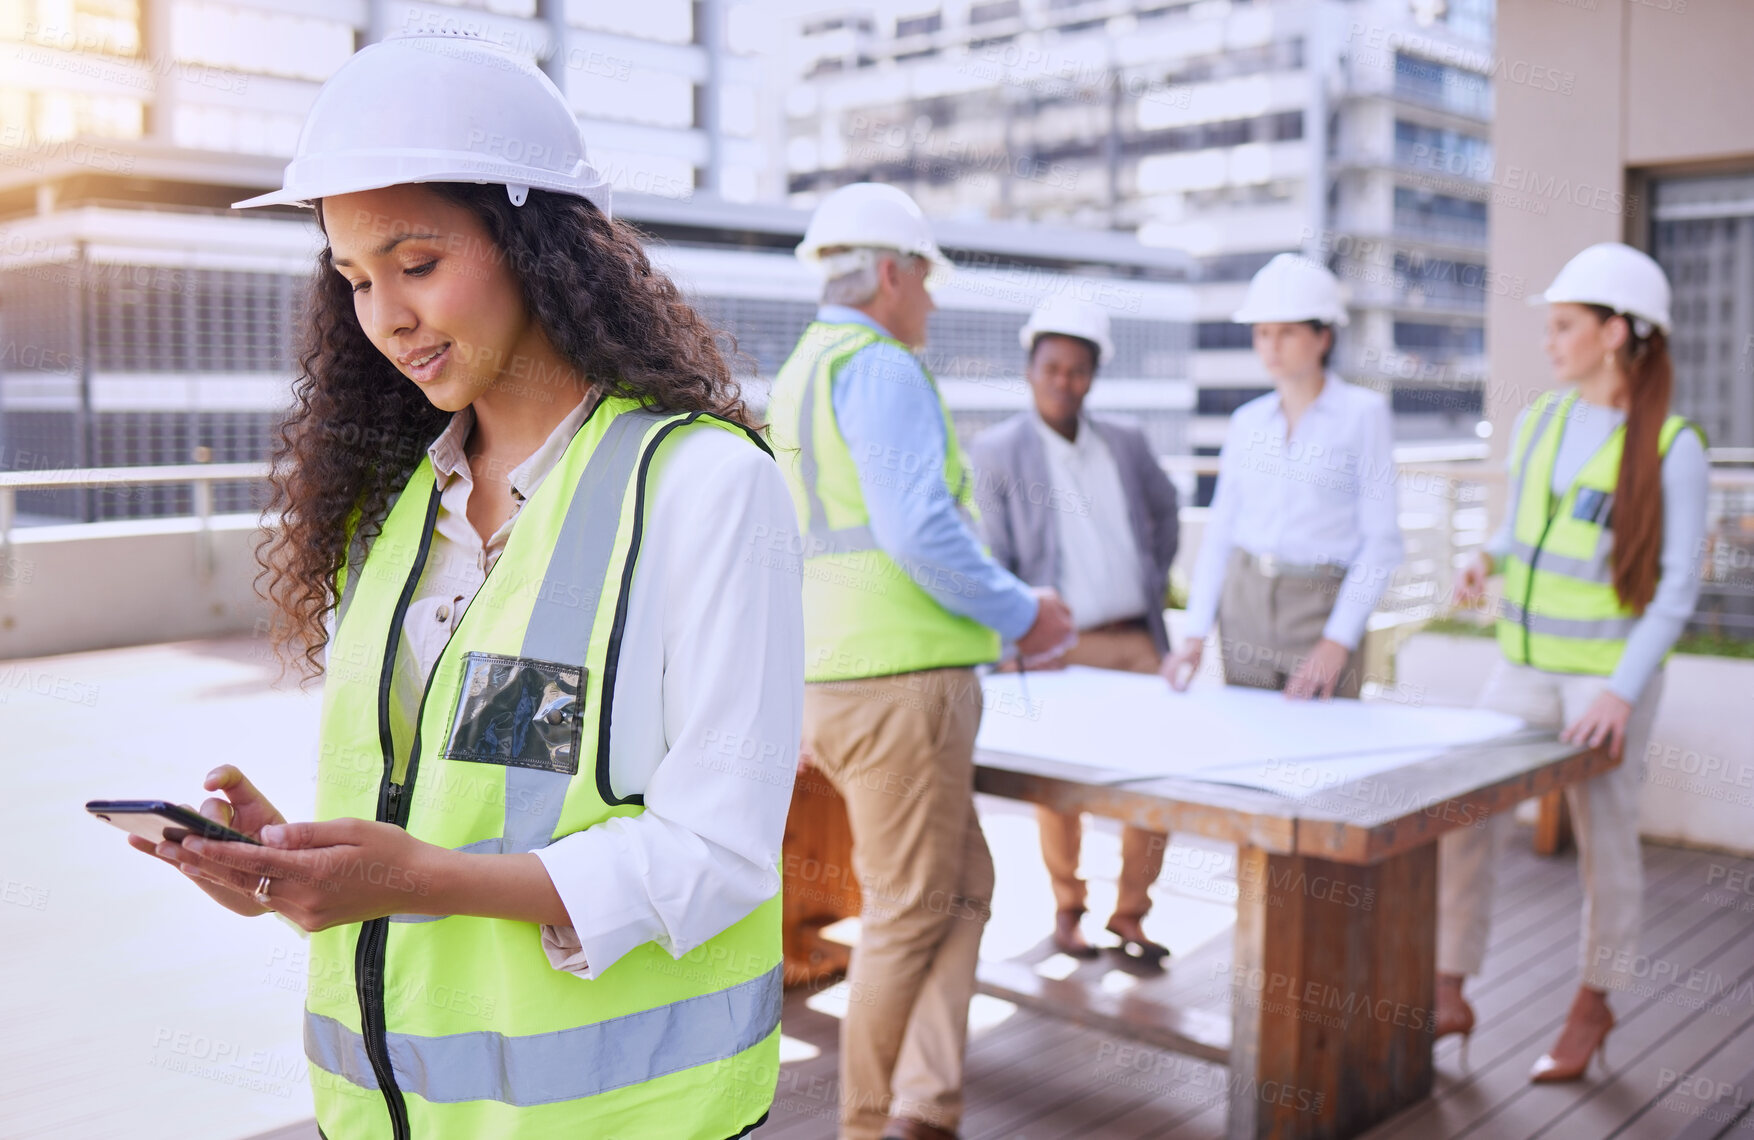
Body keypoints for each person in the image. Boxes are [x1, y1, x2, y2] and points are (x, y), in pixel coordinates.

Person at [119, 34, 802, 1140]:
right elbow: (451, 805)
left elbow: (717, 854)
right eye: (353, 279)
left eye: (417, 262)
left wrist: (417, 879)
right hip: (392, 1116)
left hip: (624, 1119)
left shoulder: (706, 488)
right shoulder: (391, 516)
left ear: (537, 244)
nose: (384, 315)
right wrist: (292, 867)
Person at [767, 182, 1076, 1140]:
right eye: (927, 280)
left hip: (843, 680)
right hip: (905, 686)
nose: (932, 302)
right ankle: (871, 1126)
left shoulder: (803, 374)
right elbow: (920, 531)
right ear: (891, 273)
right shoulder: (882, 367)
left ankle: (927, 1108)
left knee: (963, 891)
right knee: (907, 911)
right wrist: (1026, 613)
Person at [1440, 242, 1708, 1082]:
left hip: (1604, 681)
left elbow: (1674, 594)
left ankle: (1595, 1003)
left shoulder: (1674, 446)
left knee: (1607, 845)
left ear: (1616, 332)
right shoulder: (1541, 420)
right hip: (1522, 667)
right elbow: (1526, 532)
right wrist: (1485, 555)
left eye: (1564, 327)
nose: (1549, 342)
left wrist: (1622, 695)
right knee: (1460, 810)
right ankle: (1449, 985)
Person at [968, 294, 1181, 963]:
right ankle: (1069, 909)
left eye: (1078, 370)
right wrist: (1015, 644)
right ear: (1032, 369)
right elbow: (992, 556)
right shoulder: (999, 451)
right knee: (1060, 792)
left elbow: (1167, 513)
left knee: (1154, 779)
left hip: (1136, 639)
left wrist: (1149, 575)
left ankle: (1132, 912)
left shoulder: (1128, 442)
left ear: (1094, 375)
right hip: (1060, 647)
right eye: (1053, 367)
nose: (1065, 381)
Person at [1162, 253, 1403, 699]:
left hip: (1321, 604)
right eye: (1262, 333)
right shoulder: (1246, 423)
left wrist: (1338, 640)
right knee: (1249, 741)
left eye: (1287, 332)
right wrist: (1195, 633)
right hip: (1245, 603)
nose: (1271, 347)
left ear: (1323, 336)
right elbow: (1221, 534)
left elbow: (1382, 541)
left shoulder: (1363, 416)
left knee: (1325, 748)